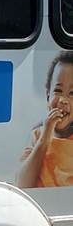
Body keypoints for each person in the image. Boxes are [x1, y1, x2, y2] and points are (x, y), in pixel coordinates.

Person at [17, 51, 73, 188]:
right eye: (58, 91)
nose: (63, 100)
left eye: (72, 93)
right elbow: (22, 184)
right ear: (48, 94)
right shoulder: (37, 135)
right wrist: (45, 137)